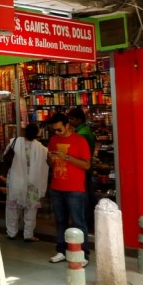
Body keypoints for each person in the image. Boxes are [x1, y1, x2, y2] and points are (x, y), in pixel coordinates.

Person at [46, 112, 92, 266]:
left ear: (67, 126)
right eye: (54, 130)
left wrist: (67, 157)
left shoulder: (80, 141)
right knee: (60, 221)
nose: (57, 132)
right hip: (57, 186)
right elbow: (49, 163)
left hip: (75, 188)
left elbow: (86, 165)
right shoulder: (53, 140)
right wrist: (50, 159)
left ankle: (83, 253)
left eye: (59, 129)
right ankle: (61, 250)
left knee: (78, 221)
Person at [5, 123, 49, 242]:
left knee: (12, 208)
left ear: (24, 131)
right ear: (37, 134)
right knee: (31, 209)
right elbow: (46, 163)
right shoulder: (41, 148)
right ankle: (28, 235)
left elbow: (5, 155)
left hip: (15, 181)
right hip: (32, 183)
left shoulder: (14, 142)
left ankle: (11, 233)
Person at [67, 108, 97, 230]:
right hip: (84, 168)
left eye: (72, 119)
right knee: (88, 196)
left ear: (79, 120)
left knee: (84, 197)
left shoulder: (81, 134)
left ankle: (85, 221)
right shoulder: (84, 131)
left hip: (81, 168)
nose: (70, 121)